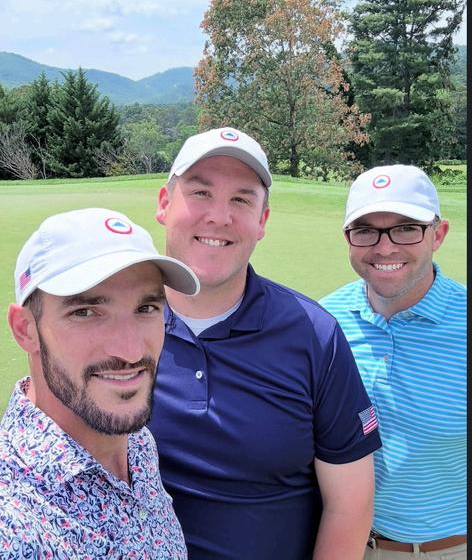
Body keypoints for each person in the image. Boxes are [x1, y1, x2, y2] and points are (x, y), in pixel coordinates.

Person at [148, 127, 382, 560]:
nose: (220, 216)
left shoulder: (314, 334)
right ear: (164, 203)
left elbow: (349, 505)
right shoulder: (115, 322)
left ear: (263, 221)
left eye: (241, 200)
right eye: (200, 193)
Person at [0, 207, 200, 559]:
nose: (130, 351)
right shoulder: (13, 525)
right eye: (85, 312)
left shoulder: (135, 440)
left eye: (146, 308)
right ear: (25, 329)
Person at [320, 165, 467, 559]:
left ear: (438, 234)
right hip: (342, 546)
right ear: (348, 238)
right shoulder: (322, 322)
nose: (384, 248)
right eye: (365, 230)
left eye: (406, 228)